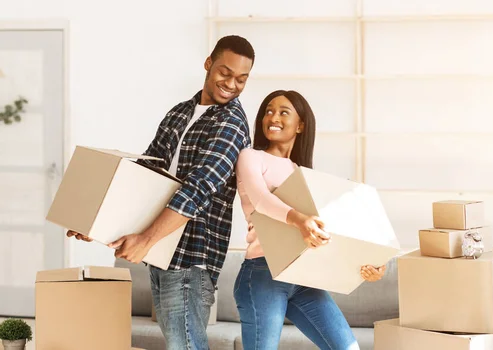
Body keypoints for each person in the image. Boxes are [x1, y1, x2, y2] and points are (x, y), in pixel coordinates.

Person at [67, 35, 255, 350]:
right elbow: (145, 175)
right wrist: (97, 222)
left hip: (191, 258)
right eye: (225, 72)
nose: (232, 84)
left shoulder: (231, 124)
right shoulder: (180, 113)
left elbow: (197, 189)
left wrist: (146, 239)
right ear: (208, 64)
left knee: (185, 346)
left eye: (241, 79)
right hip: (161, 255)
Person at [234, 90, 386, 349]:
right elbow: (260, 200)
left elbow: (331, 230)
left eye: (284, 112)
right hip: (263, 272)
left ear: (301, 125)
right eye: (269, 111)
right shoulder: (251, 156)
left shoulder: (303, 173)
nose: (274, 117)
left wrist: (369, 262)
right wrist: (300, 219)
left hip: (303, 278)